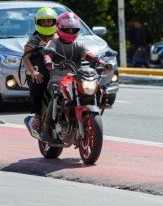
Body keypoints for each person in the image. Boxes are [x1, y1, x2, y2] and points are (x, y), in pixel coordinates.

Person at [40, 11, 112, 142]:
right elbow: (47, 54)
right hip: (57, 77)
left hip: (75, 77)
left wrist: (103, 63)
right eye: (67, 29)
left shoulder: (78, 45)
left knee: (99, 89)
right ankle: (46, 127)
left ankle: (90, 118)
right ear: (60, 28)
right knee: (56, 94)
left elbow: (88, 55)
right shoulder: (54, 43)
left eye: (73, 29)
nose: (70, 31)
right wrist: (48, 61)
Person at [23, 7, 58, 133]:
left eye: (50, 21)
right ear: (38, 23)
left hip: (57, 71)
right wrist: (33, 72)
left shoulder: (59, 37)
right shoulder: (34, 40)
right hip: (39, 72)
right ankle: (37, 116)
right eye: (44, 21)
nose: (47, 23)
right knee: (38, 83)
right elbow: (25, 59)